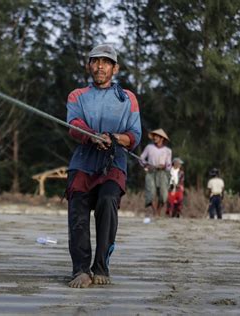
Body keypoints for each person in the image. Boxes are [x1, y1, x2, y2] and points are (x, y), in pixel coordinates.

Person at [65, 44, 142, 288]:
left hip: (114, 162)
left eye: (106, 62)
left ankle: (101, 266)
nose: (100, 66)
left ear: (115, 68)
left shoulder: (127, 98)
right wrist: (92, 136)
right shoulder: (77, 95)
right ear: (89, 66)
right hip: (83, 162)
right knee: (77, 208)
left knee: (108, 202)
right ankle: (80, 269)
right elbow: (74, 125)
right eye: (95, 61)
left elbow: (135, 135)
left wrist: (114, 137)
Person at [140, 128, 172, 217]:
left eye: (157, 136)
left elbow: (169, 164)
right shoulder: (149, 147)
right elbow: (141, 158)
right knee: (151, 192)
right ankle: (155, 212)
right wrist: (146, 165)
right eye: (154, 136)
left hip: (162, 173)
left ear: (162, 138)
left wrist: (164, 166)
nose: (155, 138)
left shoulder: (167, 150)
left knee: (163, 194)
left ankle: (159, 210)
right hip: (151, 172)